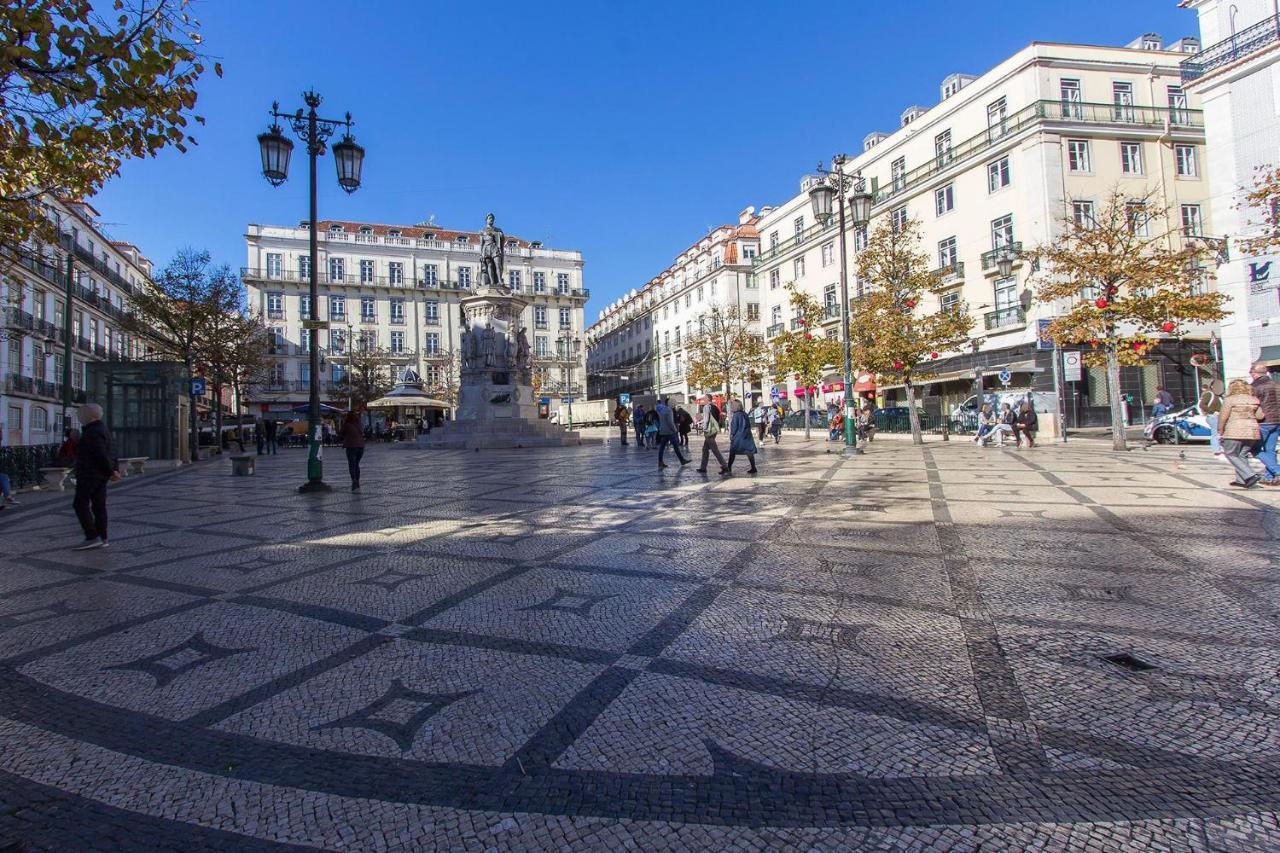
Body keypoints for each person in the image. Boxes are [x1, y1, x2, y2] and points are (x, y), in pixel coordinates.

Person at [71, 403, 119, 550]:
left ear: (90, 416)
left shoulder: (92, 432)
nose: (79, 417)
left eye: (81, 414)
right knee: (99, 506)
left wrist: (111, 471)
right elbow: (112, 451)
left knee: (80, 504)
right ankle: (103, 537)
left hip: (90, 474)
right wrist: (113, 470)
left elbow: (100, 454)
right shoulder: (103, 430)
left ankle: (92, 536)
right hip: (100, 475)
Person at [1219, 378, 1266, 488]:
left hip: (1234, 431)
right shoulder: (1254, 400)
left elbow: (1223, 416)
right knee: (1242, 455)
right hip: (1252, 431)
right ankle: (1241, 480)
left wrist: (1220, 429)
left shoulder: (1230, 400)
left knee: (1230, 454)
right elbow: (1260, 416)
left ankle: (1250, 475)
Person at [1250, 362, 1280, 484]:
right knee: (1270, 450)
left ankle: (1277, 470)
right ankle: (1269, 477)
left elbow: (1251, 404)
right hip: (1277, 421)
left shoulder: (1256, 387)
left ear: (1254, 373)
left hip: (1264, 422)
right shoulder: (1277, 385)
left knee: (1254, 448)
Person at [724, 399, 758, 475]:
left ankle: (729, 467)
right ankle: (753, 467)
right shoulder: (745, 414)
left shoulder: (736, 415)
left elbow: (734, 427)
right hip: (746, 435)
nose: (731, 407)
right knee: (749, 452)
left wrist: (732, 435)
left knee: (732, 452)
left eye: (732, 405)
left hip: (738, 437)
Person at [654, 397, 689, 468]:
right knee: (676, 446)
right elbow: (670, 422)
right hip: (669, 431)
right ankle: (682, 460)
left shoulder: (662, 410)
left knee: (662, 447)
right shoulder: (669, 410)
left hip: (663, 431)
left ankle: (660, 462)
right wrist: (675, 430)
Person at [696, 399, 728, 474]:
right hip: (714, 430)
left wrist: (704, 429)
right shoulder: (715, 407)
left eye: (704, 398)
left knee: (714, 449)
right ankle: (703, 467)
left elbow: (707, 420)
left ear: (707, 399)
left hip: (709, 431)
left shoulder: (706, 407)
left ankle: (725, 466)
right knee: (705, 449)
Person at [340, 410, 366, 492]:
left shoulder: (346, 424)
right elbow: (362, 432)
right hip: (361, 446)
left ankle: (354, 481)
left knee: (352, 464)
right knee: (356, 464)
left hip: (351, 446)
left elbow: (341, 434)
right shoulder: (359, 424)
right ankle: (357, 482)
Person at [1198, 380, 1224, 457]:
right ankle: (1216, 450)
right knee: (1215, 433)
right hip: (1213, 416)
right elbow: (1202, 405)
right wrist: (1213, 411)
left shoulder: (1220, 395)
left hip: (1220, 416)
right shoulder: (1209, 394)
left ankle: (1220, 448)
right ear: (1212, 386)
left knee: (1220, 433)